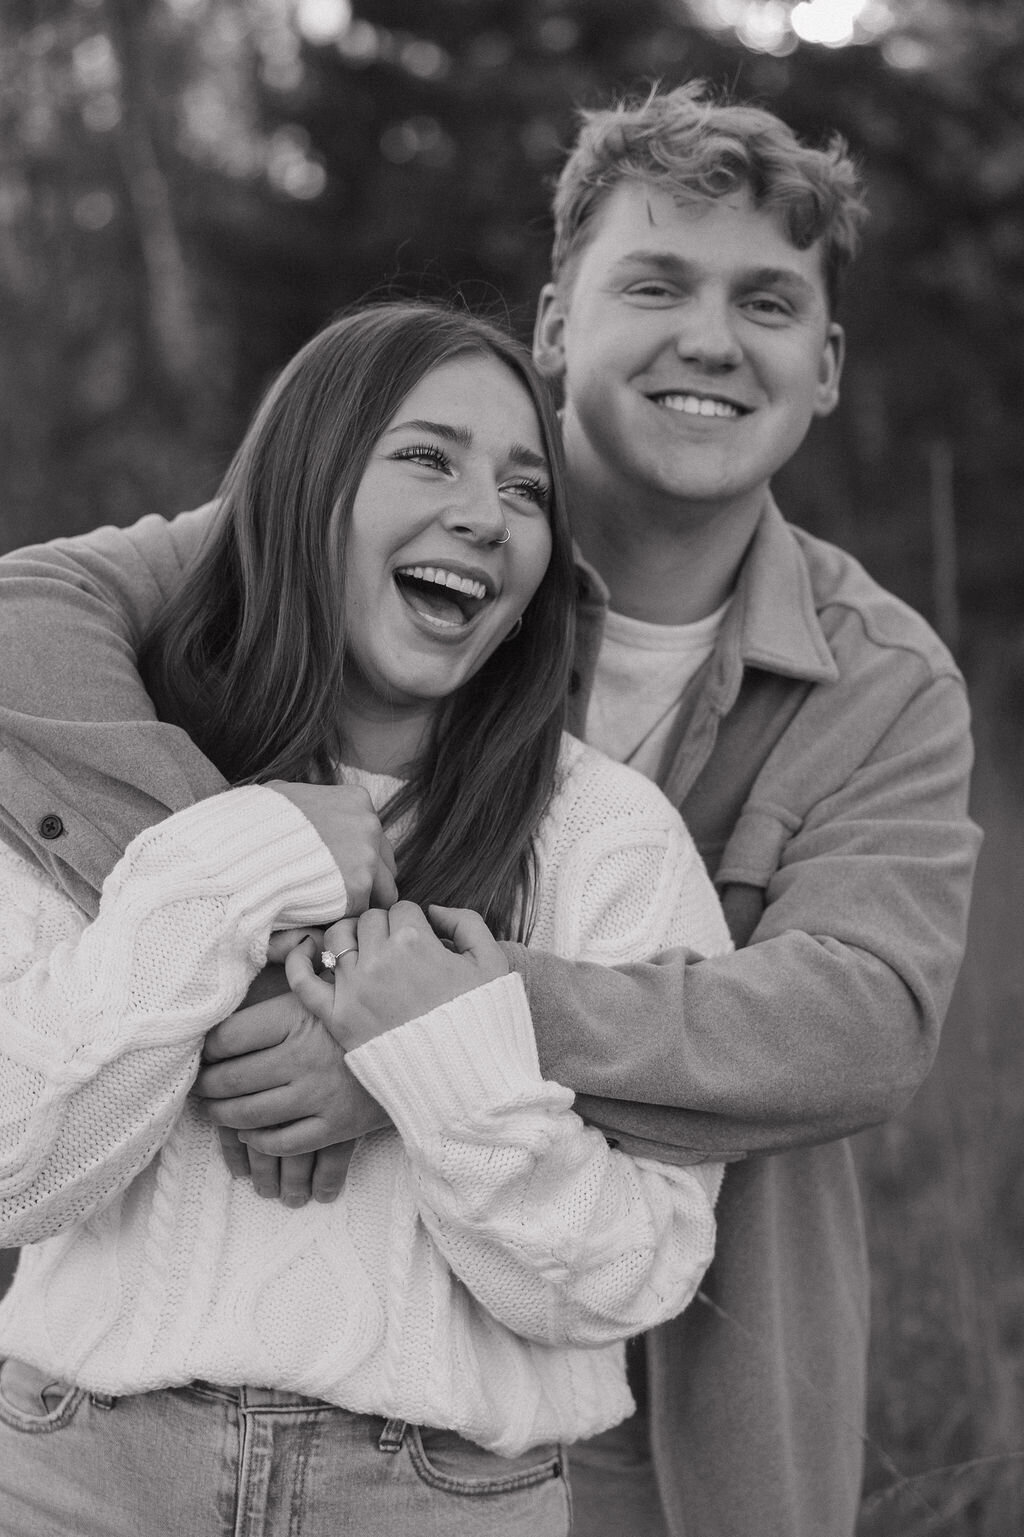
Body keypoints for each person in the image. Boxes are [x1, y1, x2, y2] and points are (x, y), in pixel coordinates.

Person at [0, 83, 980, 1536]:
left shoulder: (884, 679)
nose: (712, 338)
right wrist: (273, 933)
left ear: (826, 364)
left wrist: (419, 1021)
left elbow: (863, 1021)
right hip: (175, 1400)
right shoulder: (376, 523)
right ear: (554, 326)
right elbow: (31, 611)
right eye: (655, 281)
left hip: (680, 1370)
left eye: (766, 303)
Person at [0, 301, 735, 1537]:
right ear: (306, 486)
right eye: (426, 455)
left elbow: (634, 1269)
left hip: (440, 1497)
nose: (482, 513)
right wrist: (239, 862)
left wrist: (433, 1065)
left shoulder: (608, 834)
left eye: (525, 488)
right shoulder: (102, 787)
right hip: (78, 1477)